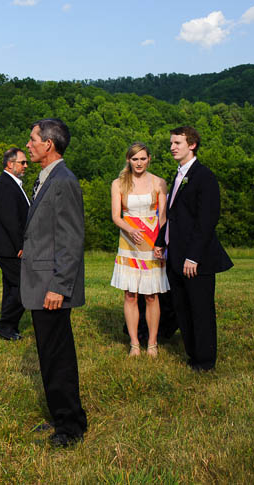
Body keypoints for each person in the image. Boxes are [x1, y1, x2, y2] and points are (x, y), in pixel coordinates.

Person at [21, 118, 87, 448]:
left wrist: (59, 286)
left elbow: (71, 239)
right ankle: (63, 416)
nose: (28, 144)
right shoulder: (47, 178)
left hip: (51, 287)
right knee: (50, 356)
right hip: (41, 282)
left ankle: (70, 428)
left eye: (33, 139)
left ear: (49, 144)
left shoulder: (63, 181)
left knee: (58, 357)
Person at [154, 126, 233, 371]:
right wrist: (160, 242)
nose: (172, 147)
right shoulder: (178, 175)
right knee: (183, 308)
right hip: (176, 255)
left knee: (200, 310)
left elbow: (207, 220)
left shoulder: (204, 176)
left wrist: (193, 257)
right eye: (171, 143)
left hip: (196, 259)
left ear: (192, 145)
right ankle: (193, 356)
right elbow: (172, 215)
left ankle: (206, 361)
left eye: (177, 142)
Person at [110, 142, 169, 357]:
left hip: (153, 243)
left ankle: (152, 343)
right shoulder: (118, 184)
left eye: (143, 158)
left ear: (149, 159)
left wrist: (160, 243)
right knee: (130, 294)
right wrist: (130, 229)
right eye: (135, 159)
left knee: (152, 295)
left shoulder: (159, 183)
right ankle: (134, 343)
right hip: (128, 242)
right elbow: (116, 216)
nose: (139, 163)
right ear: (128, 160)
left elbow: (163, 217)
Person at [0, 147, 30, 341]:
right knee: (25, 285)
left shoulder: (12, 184)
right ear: (10, 164)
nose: (26, 166)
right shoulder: (5, 185)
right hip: (8, 247)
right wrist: (20, 245)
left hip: (8, 246)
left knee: (12, 287)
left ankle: (7, 327)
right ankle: (5, 325)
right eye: (22, 162)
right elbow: (10, 220)